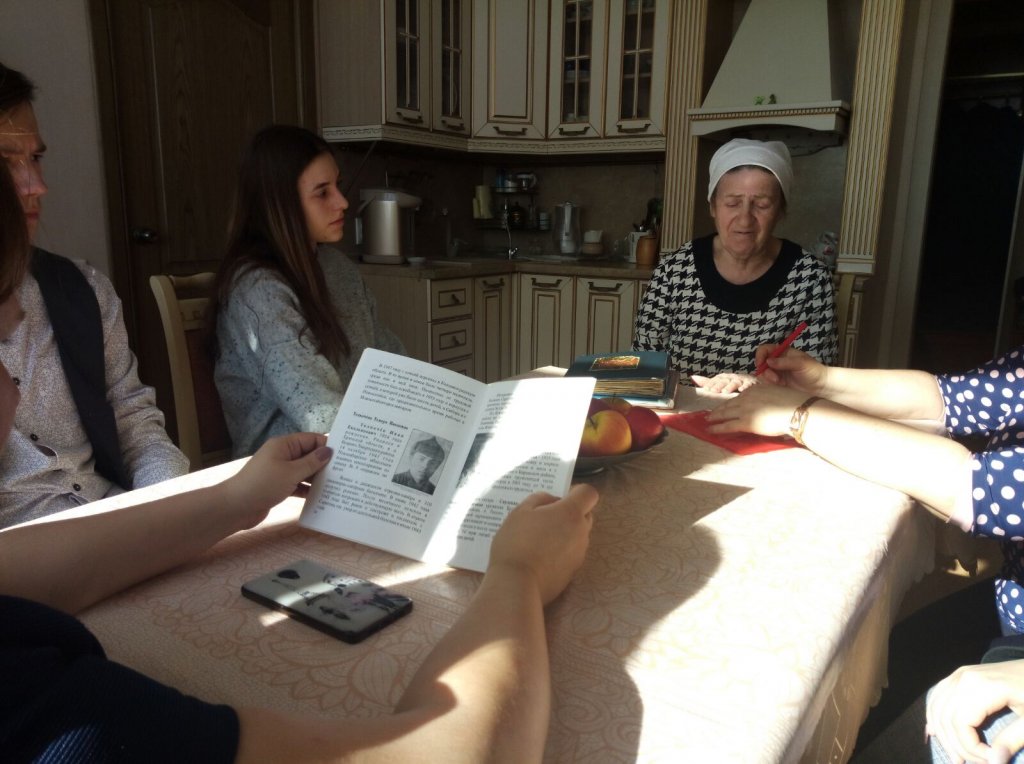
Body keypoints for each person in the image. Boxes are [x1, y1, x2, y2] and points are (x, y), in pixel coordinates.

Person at [0, 161, 602, 762]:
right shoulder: (41, 705)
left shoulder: (336, 270)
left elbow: (24, 569)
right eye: (1, 347)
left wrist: (235, 499)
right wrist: (519, 574)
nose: (18, 389)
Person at [706, 343, 1024, 762]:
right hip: (1010, 605)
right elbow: (951, 398)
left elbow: (979, 488)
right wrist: (823, 381)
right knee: (888, 669)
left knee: (932, 737)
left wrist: (800, 415)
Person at [0, 62, 188, 528]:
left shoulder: (80, 289)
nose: (36, 186)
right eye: (6, 161)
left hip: (116, 522)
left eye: (35, 158)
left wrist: (166, 507)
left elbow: (136, 424)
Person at [209, 124, 405, 457]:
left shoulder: (338, 268)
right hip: (289, 467)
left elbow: (391, 363)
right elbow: (321, 414)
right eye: (322, 192)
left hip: (358, 444)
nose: (343, 202)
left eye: (337, 185)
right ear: (279, 203)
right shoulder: (258, 292)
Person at [632, 137, 838, 393]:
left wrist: (753, 385)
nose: (745, 220)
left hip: (768, 411)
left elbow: (816, 385)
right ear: (713, 207)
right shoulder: (674, 272)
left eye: (761, 205)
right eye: (732, 203)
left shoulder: (810, 280)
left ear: (781, 211)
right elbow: (644, 366)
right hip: (681, 409)